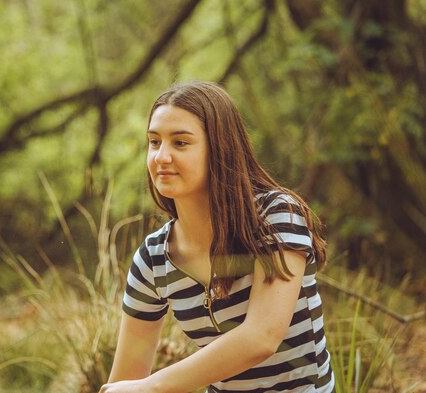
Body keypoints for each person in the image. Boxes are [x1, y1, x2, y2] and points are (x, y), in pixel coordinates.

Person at [99, 81, 335, 393]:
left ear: (220, 148)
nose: (161, 157)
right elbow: (125, 381)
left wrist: (152, 387)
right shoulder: (153, 260)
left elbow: (261, 338)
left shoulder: (277, 217)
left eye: (180, 143)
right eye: (154, 142)